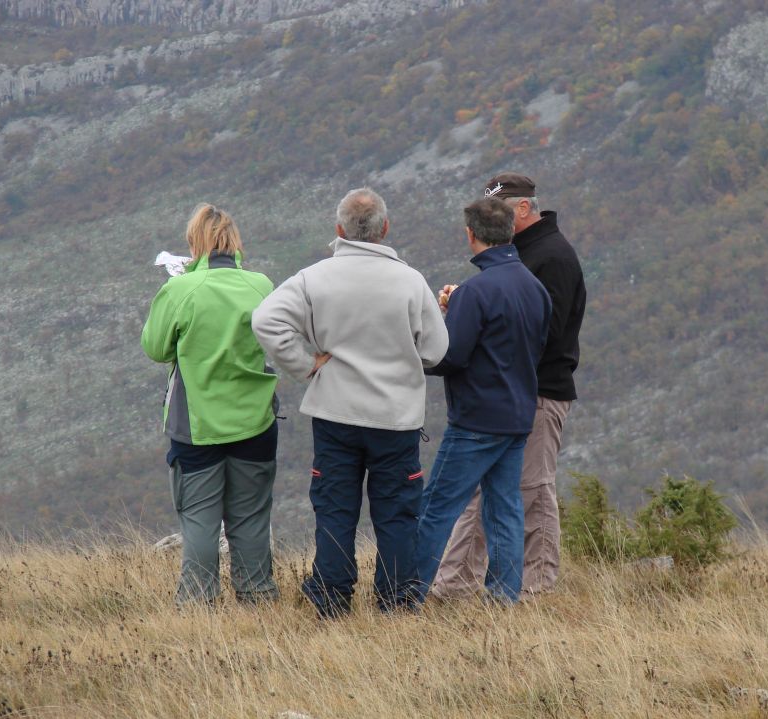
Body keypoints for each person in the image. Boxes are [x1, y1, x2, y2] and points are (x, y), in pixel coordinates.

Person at [251, 188, 448, 618]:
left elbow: (265, 320)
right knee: (396, 513)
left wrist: (305, 365)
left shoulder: (313, 278)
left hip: (335, 414)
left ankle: (331, 597)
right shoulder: (411, 281)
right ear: (385, 229)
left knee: (336, 507)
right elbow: (435, 352)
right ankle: (396, 601)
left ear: (340, 230)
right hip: (395, 419)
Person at [432, 172, 586, 598]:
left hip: (538, 392)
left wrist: (476, 320)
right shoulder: (525, 254)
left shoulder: (551, 257)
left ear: (523, 208)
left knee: (532, 492)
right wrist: (469, 303)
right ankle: (456, 586)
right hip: (515, 392)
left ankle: (534, 589)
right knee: (490, 495)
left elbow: (543, 334)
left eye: (500, 211)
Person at [141, 203, 280, 606]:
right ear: (234, 241)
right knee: (251, 518)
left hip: (196, 426)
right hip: (255, 420)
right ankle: (258, 599)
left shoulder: (181, 289)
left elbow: (155, 348)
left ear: (193, 243)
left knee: (200, 520)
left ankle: (199, 603)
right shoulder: (262, 285)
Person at [414, 197, 551, 605]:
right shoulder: (535, 288)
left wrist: (438, 326)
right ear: (510, 231)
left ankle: (406, 595)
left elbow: (450, 356)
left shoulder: (475, 292)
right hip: (518, 416)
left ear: (471, 235)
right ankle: (503, 598)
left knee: (436, 507)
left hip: (475, 421)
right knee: (505, 508)